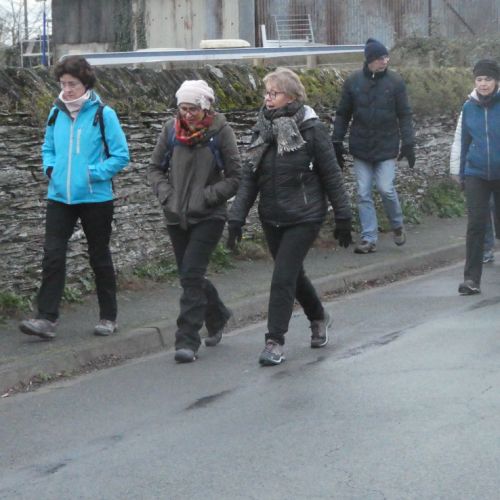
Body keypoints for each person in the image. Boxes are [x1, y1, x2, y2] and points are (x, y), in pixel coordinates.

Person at [227, 67, 352, 366]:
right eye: (267, 93)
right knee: (293, 275)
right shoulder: (262, 128)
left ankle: (274, 341)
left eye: (275, 93)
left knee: (282, 277)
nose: (268, 99)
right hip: (272, 215)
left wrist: (344, 216)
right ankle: (318, 316)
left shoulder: (312, 129)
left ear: (292, 97)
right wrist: (236, 218)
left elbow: (331, 175)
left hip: (305, 215)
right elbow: (250, 177)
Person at [19, 56, 129, 340]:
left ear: (86, 84)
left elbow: (120, 156)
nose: (66, 90)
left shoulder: (103, 114)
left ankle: (108, 317)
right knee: (52, 255)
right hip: (60, 196)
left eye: (73, 84)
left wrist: (92, 174)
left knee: (99, 256)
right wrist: (51, 169)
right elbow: (48, 148)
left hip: (95, 197)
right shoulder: (55, 113)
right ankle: (46, 319)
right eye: (63, 84)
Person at [148, 80, 241, 363]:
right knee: (190, 275)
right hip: (176, 215)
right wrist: (168, 196)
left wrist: (207, 196)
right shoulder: (170, 130)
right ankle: (218, 315)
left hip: (209, 215)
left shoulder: (220, 132)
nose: (187, 115)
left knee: (190, 275)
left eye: (193, 109)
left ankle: (187, 339)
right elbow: (155, 169)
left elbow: (235, 177)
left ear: (206, 108)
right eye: (183, 109)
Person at [332, 38, 415, 254]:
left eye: (386, 57)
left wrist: (408, 142)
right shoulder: (353, 82)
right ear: (369, 60)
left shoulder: (395, 82)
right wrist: (336, 140)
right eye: (380, 58)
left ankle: (397, 225)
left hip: (387, 146)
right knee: (363, 192)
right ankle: (369, 238)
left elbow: (404, 114)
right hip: (361, 146)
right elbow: (343, 114)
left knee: (386, 189)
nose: (384, 61)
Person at [454, 59, 500, 295]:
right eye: (479, 79)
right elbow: (463, 141)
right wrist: (459, 171)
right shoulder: (468, 107)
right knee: (475, 225)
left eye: (488, 79)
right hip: (476, 173)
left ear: (496, 81)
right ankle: (471, 279)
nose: (483, 84)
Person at [450, 108, 496, 265]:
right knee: (481, 209)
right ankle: (485, 248)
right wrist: (456, 168)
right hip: (477, 169)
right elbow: (460, 139)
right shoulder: (469, 107)